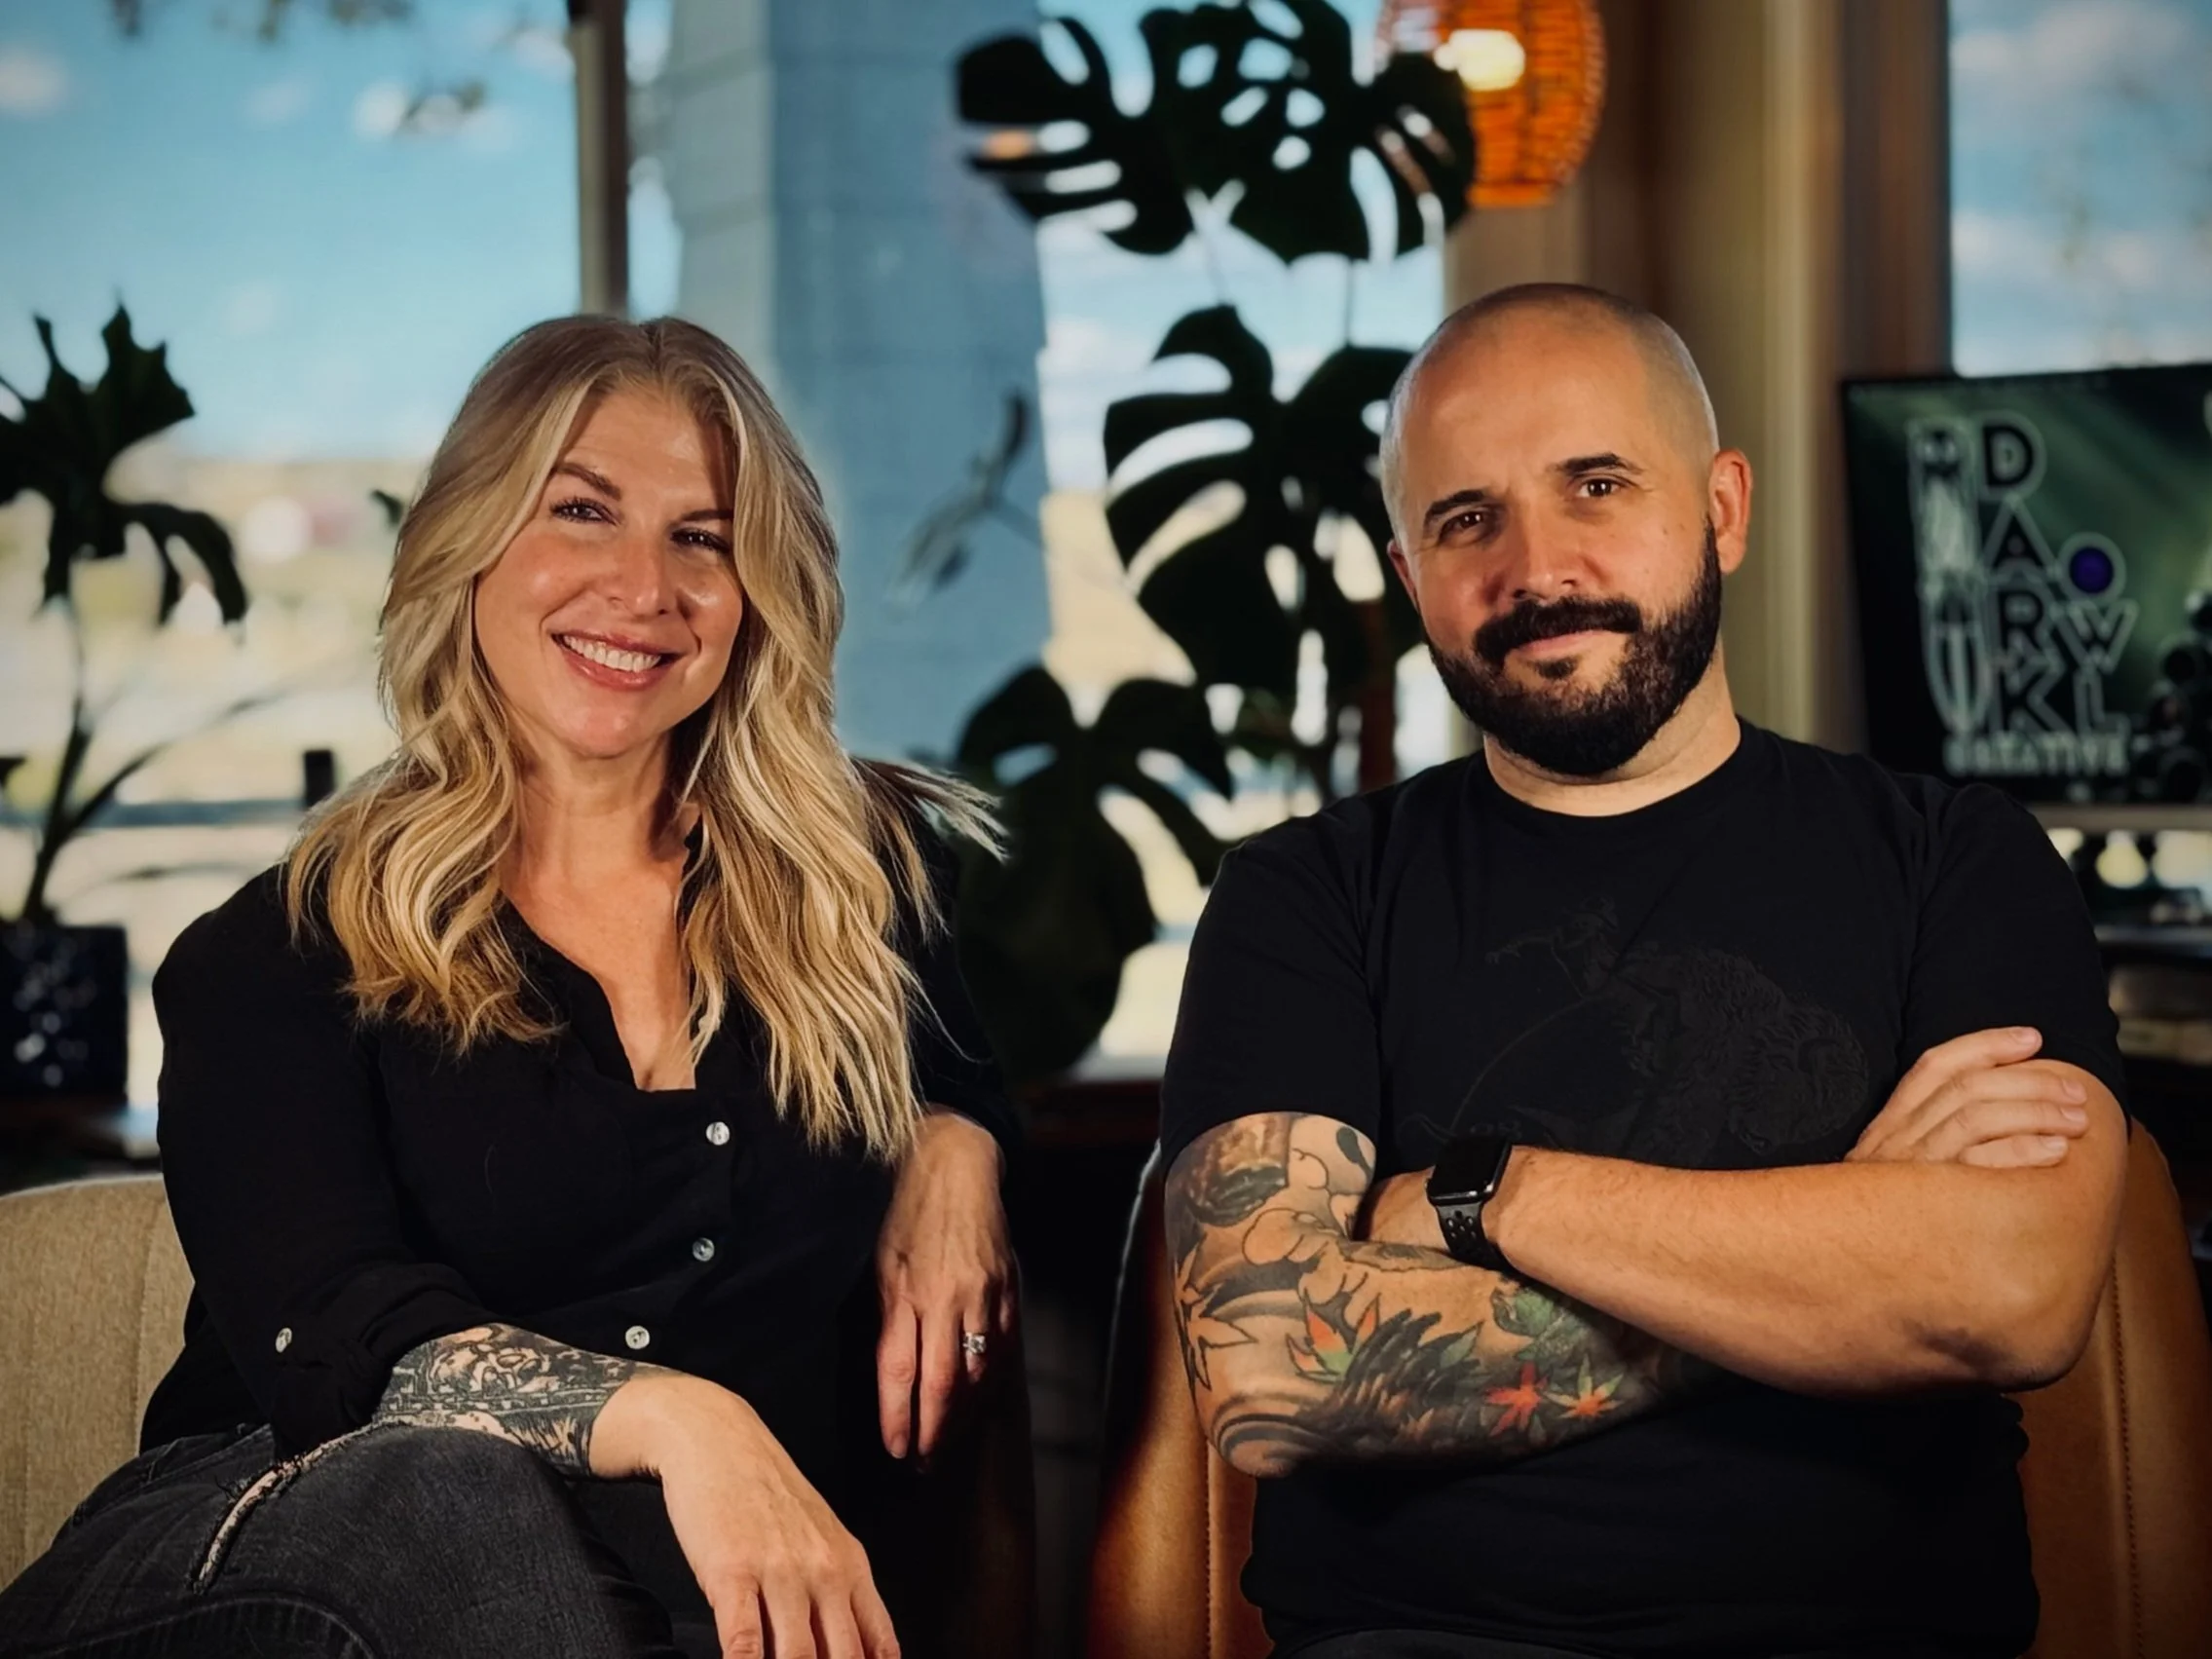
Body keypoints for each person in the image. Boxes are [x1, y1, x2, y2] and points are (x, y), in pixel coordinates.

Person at [0, 316, 1018, 1659]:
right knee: (457, 1491)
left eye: (702, 538)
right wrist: (682, 1418)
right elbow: (342, 1342)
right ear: (471, 540)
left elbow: (956, 1066)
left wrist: (954, 1145)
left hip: (638, 1603)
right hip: (261, 1555)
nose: (644, 587)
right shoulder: (280, 953)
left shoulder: (858, 887)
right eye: (580, 510)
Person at [1158, 284, 2127, 1659]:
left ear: (1723, 508)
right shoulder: (1304, 895)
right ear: (1409, 575)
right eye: (1465, 519)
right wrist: (1843, 1266)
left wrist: (1486, 1195)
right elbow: (1275, 1370)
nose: (1536, 567)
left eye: (1596, 485)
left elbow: (2013, 1296)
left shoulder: (1953, 860)